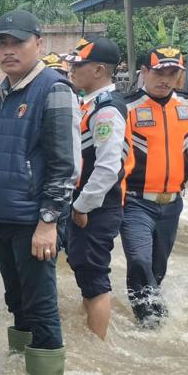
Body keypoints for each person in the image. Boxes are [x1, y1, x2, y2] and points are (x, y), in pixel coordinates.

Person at [0, 11, 80, 375]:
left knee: (42, 307)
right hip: (1, 217)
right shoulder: (0, 93)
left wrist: (49, 220)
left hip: (35, 221)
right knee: (16, 301)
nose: (9, 50)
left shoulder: (54, 89)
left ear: (39, 44)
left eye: (18, 42)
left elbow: (65, 165)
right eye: (2, 43)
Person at [121, 47, 188, 328]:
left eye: (172, 73)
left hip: (172, 203)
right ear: (145, 73)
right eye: (159, 72)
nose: (165, 79)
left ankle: (145, 316)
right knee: (139, 259)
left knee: (157, 268)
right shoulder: (127, 106)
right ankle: (152, 321)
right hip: (136, 201)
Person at [62, 37, 131, 340]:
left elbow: (107, 168)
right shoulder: (88, 104)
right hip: (86, 205)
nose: (73, 69)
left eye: (79, 64)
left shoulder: (106, 109)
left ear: (100, 69)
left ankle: (97, 349)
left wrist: (82, 206)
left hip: (95, 209)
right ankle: (88, 332)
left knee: (95, 280)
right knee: (85, 272)